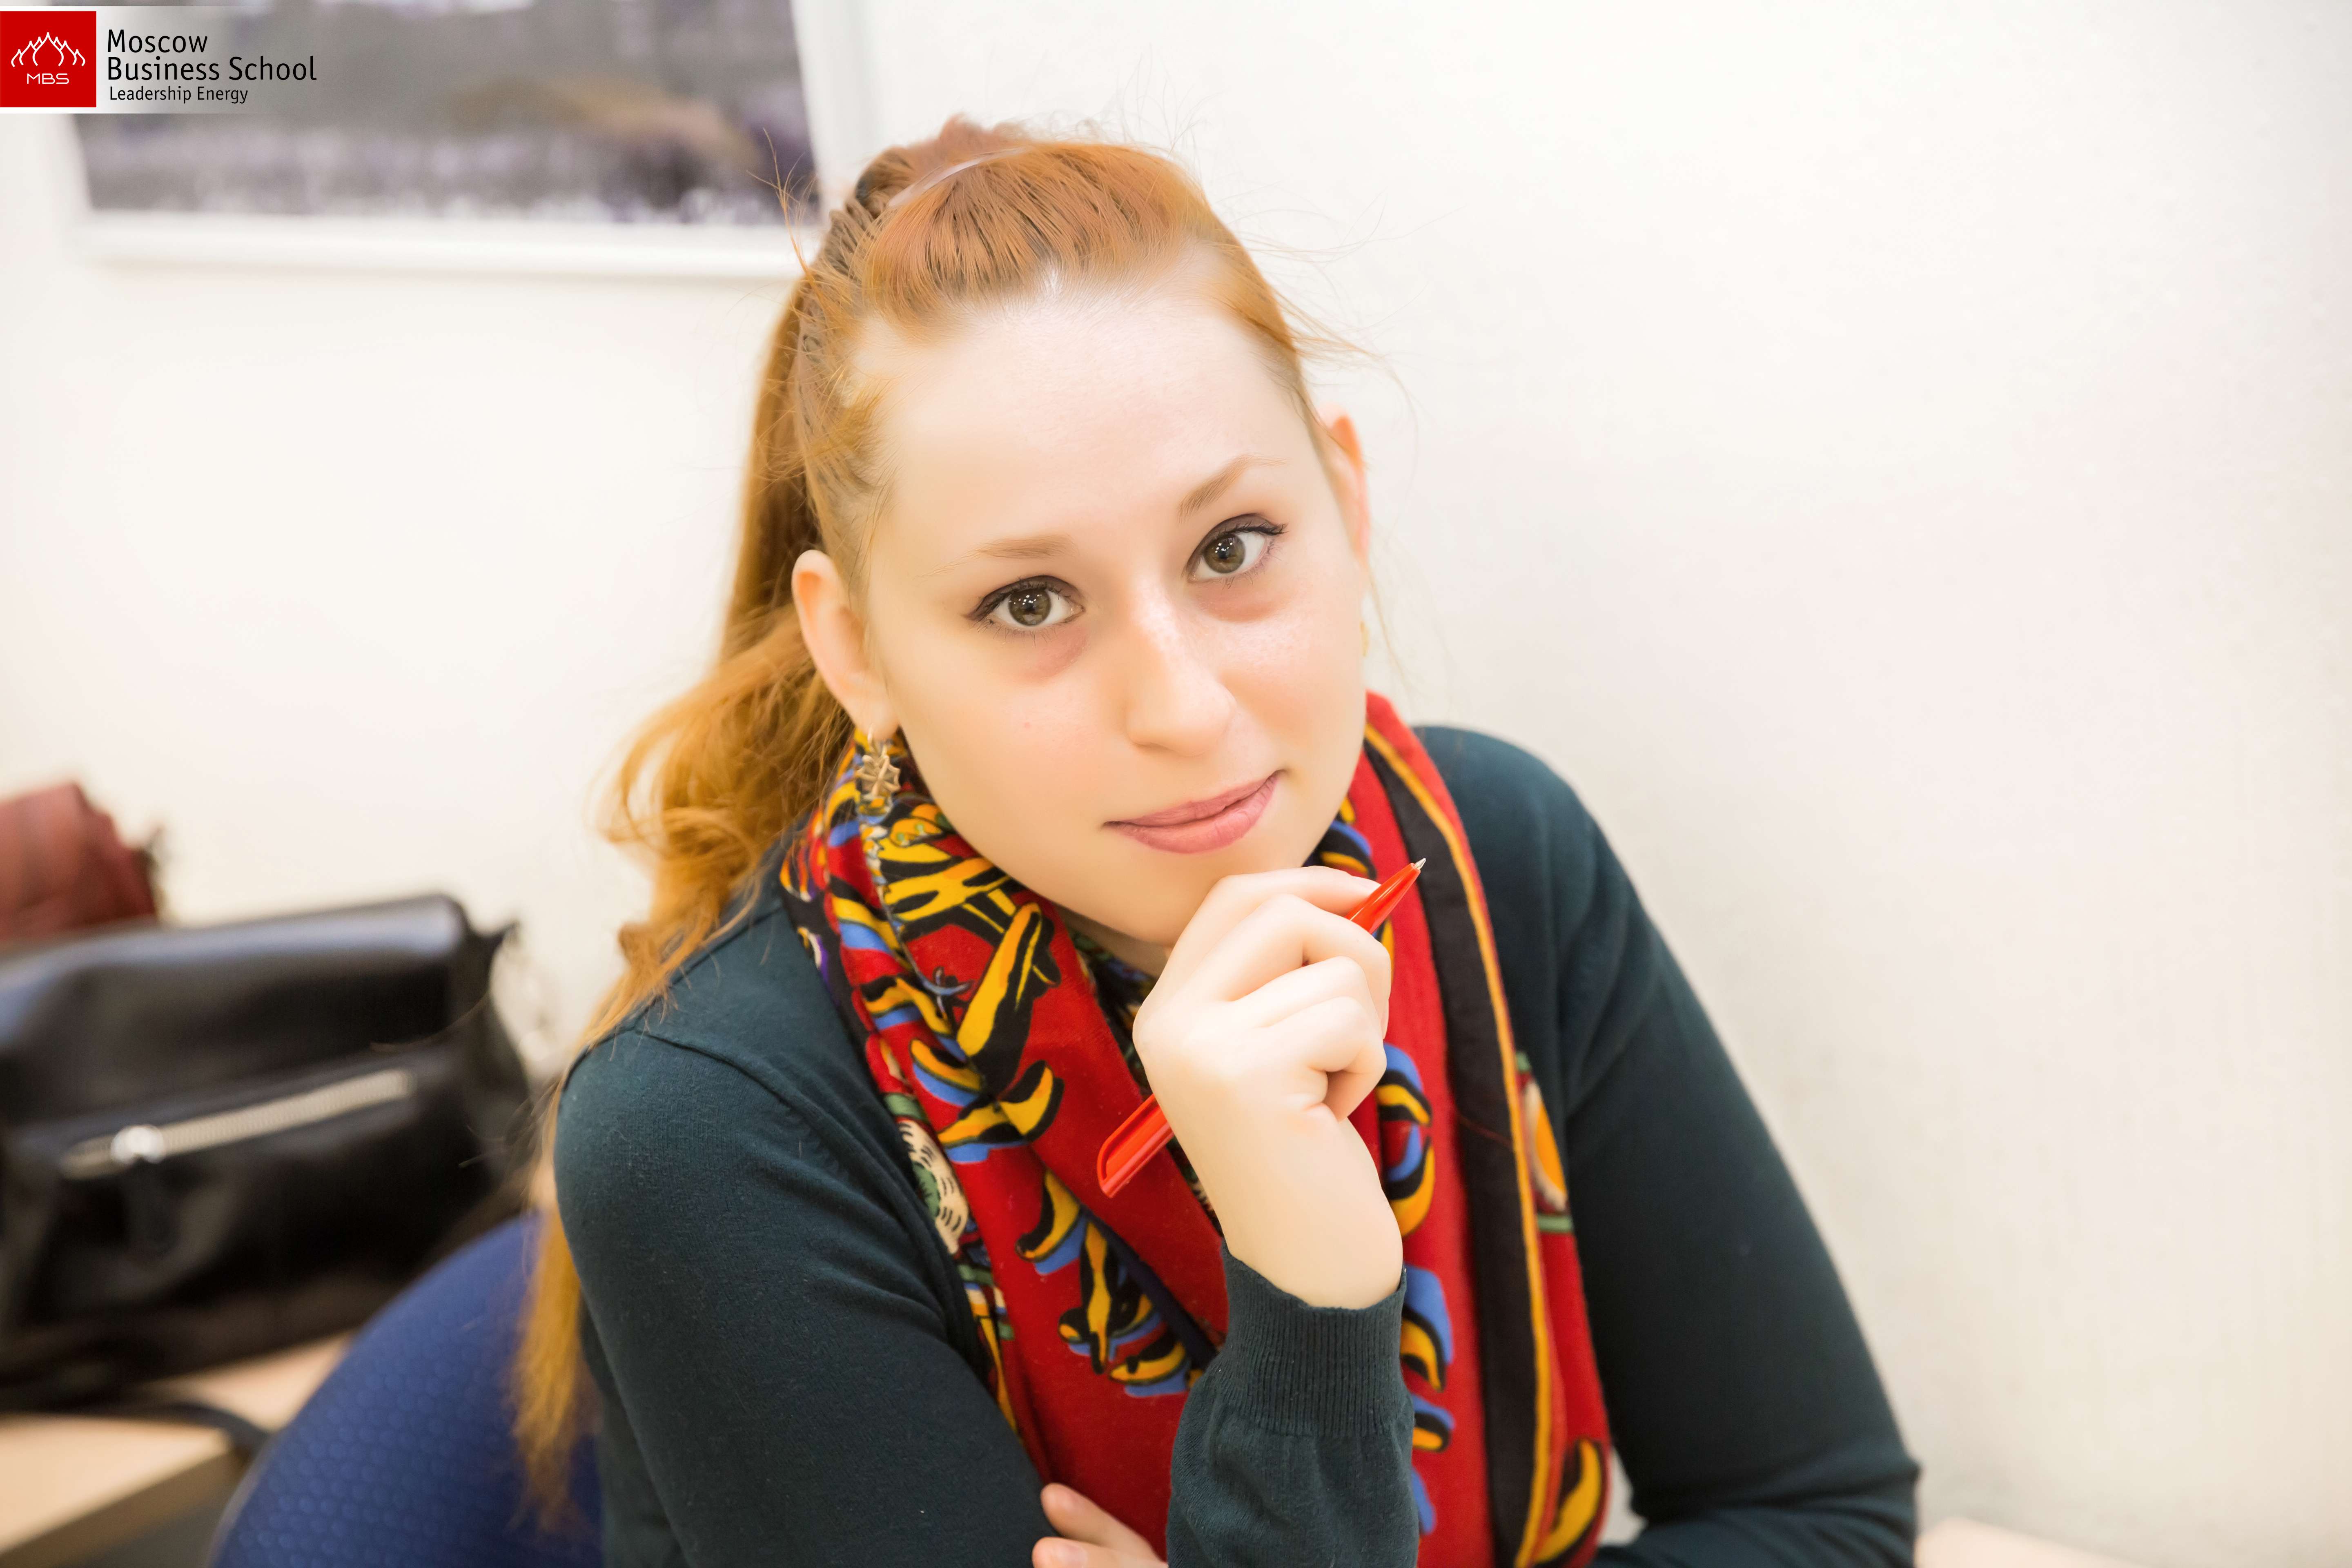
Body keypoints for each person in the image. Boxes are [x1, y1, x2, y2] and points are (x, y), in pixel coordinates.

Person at [512, 115, 1921, 1568]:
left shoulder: (1497, 859)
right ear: (856, 649)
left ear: (1346, 501)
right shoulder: (709, 1126)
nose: (1184, 708)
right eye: (1029, 604)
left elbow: (1825, 1517)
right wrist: (1311, 1276)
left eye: (1231, 547)